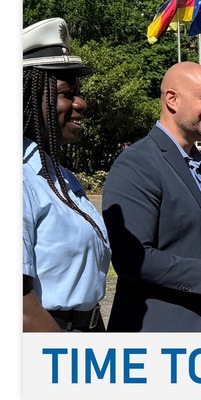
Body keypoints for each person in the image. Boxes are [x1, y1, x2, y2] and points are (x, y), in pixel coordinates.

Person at [102, 62, 201, 332]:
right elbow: (131, 258)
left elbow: (190, 237)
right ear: (172, 100)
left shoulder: (198, 163)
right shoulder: (138, 163)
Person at [22, 17, 111, 332]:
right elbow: (20, 309)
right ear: (28, 98)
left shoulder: (59, 177)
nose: (81, 103)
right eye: (67, 93)